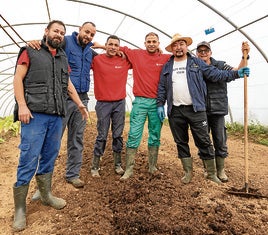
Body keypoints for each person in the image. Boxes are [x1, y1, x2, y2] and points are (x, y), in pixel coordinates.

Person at [12, 20, 89, 232]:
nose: (59, 34)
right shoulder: (30, 50)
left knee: (50, 155)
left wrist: (80, 104)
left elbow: (68, 84)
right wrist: (22, 106)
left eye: (62, 32)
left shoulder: (63, 57)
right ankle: (20, 209)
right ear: (46, 31)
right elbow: (18, 78)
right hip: (34, 115)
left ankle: (45, 194)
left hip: (56, 115)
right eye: (55, 30)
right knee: (28, 158)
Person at [157, 33, 250, 184]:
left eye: (181, 44)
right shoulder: (167, 66)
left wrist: (236, 74)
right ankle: (188, 172)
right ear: (172, 49)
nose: (178, 47)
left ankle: (212, 173)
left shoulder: (195, 63)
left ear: (186, 47)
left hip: (196, 109)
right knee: (181, 141)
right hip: (175, 110)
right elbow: (162, 86)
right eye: (175, 45)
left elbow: (215, 74)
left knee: (204, 141)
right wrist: (160, 104)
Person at [28, 22, 99, 188]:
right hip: (62, 99)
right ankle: (43, 185)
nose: (88, 36)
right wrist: (36, 42)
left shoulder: (90, 51)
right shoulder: (66, 41)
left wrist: (107, 48)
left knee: (77, 139)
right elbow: (48, 46)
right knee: (53, 142)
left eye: (92, 34)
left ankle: (72, 174)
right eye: (86, 32)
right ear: (80, 30)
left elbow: (107, 58)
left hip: (82, 99)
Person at [119, 32, 171, 180]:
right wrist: (100, 45)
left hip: (157, 103)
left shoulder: (165, 58)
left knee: (155, 134)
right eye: (149, 41)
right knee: (134, 133)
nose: (151, 44)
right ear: (144, 43)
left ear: (158, 43)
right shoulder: (137, 54)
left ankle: (152, 166)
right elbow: (120, 48)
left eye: (154, 41)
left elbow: (180, 56)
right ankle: (129, 169)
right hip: (140, 102)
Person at [196, 41, 250, 182]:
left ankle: (220, 170)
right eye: (200, 51)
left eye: (205, 51)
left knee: (220, 140)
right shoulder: (195, 67)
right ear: (197, 53)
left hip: (218, 109)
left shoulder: (220, 65)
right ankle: (208, 169)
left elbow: (237, 70)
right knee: (203, 141)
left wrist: (245, 56)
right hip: (200, 110)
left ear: (210, 52)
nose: (203, 53)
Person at [90, 35, 132, 177]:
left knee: (118, 134)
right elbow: (82, 50)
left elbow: (136, 56)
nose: (113, 47)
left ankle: (118, 164)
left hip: (119, 102)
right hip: (103, 103)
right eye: (110, 44)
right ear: (106, 45)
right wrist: (100, 47)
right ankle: (95, 165)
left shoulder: (124, 60)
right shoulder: (97, 60)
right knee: (102, 134)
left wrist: (119, 51)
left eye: (116, 45)